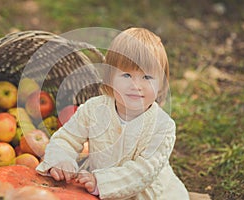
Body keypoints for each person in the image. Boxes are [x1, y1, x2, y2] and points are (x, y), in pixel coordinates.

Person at [36, 27, 189, 199]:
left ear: (161, 84)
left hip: (147, 195)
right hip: (94, 188)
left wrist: (100, 182)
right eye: (126, 75)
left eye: (147, 77)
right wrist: (61, 160)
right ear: (110, 78)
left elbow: (143, 171)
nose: (136, 85)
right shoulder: (94, 109)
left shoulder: (163, 127)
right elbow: (67, 138)